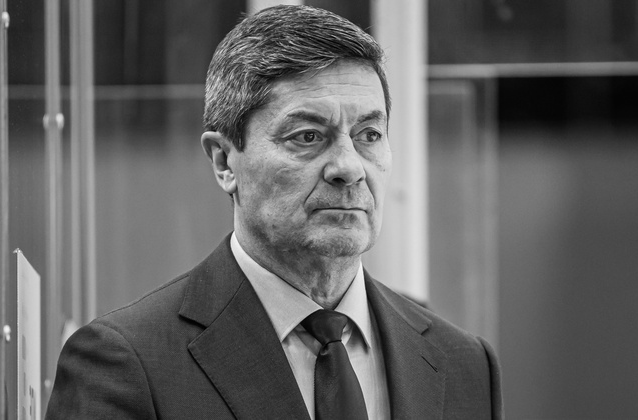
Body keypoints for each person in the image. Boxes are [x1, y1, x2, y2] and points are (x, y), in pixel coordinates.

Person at [45, 5, 502, 419]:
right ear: (224, 161)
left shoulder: (464, 364)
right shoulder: (126, 363)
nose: (348, 168)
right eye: (308, 136)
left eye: (369, 135)